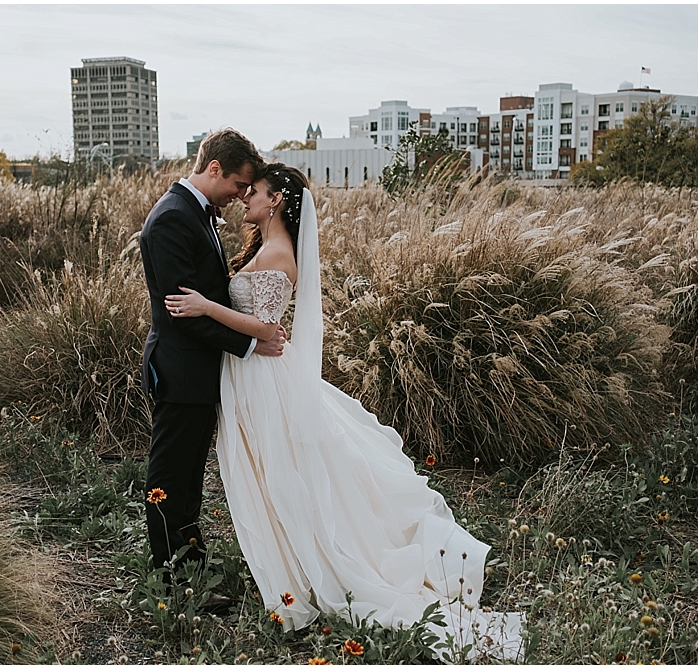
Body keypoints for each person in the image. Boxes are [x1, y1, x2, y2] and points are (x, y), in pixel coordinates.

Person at [164, 163, 524, 660]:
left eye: (256, 192)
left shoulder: (277, 254)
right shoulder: (263, 247)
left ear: (277, 203)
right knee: (272, 471)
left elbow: (267, 328)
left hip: (264, 379)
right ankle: (289, 561)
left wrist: (207, 307)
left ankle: (312, 566)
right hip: (252, 375)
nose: (246, 197)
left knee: (285, 473)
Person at [139, 129, 286, 613]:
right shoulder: (171, 220)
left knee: (188, 482)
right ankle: (172, 585)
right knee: (168, 479)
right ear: (215, 169)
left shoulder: (195, 214)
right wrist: (251, 340)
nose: (242, 196)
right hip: (180, 369)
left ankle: (193, 570)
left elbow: (209, 301)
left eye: (250, 191)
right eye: (240, 185)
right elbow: (187, 312)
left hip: (200, 373)